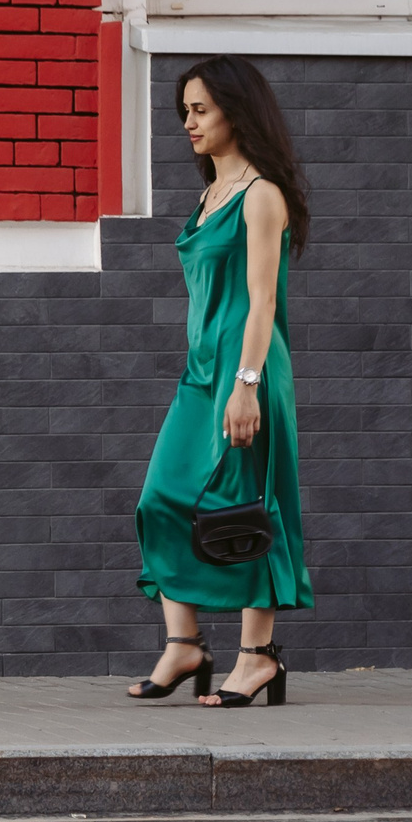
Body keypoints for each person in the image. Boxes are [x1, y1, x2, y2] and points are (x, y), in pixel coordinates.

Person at [126, 56, 313, 708]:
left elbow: (261, 302)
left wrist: (248, 383)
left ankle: (257, 656)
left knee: (248, 508)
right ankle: (185, 643)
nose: (188, 121)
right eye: (185, 110)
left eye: (201, 108)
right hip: (202, 371)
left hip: (247, 369)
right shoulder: (211, 194)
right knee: (160, 499)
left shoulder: (262, 194)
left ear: (238, 110)